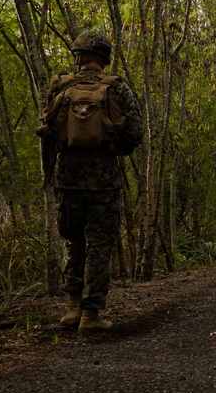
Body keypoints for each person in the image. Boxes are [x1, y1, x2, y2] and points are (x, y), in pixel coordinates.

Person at [38, 30, 143, 333]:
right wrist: (114, 148)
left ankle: (72, 308)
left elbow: (47, 128)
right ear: (104, 58)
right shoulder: (117, 87)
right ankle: (91, 314)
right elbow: (135, 131)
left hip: (67, 179)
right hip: (104, 181)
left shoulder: (62, 87)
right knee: (99, 245)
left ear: (79, 56)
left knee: (75, 242)